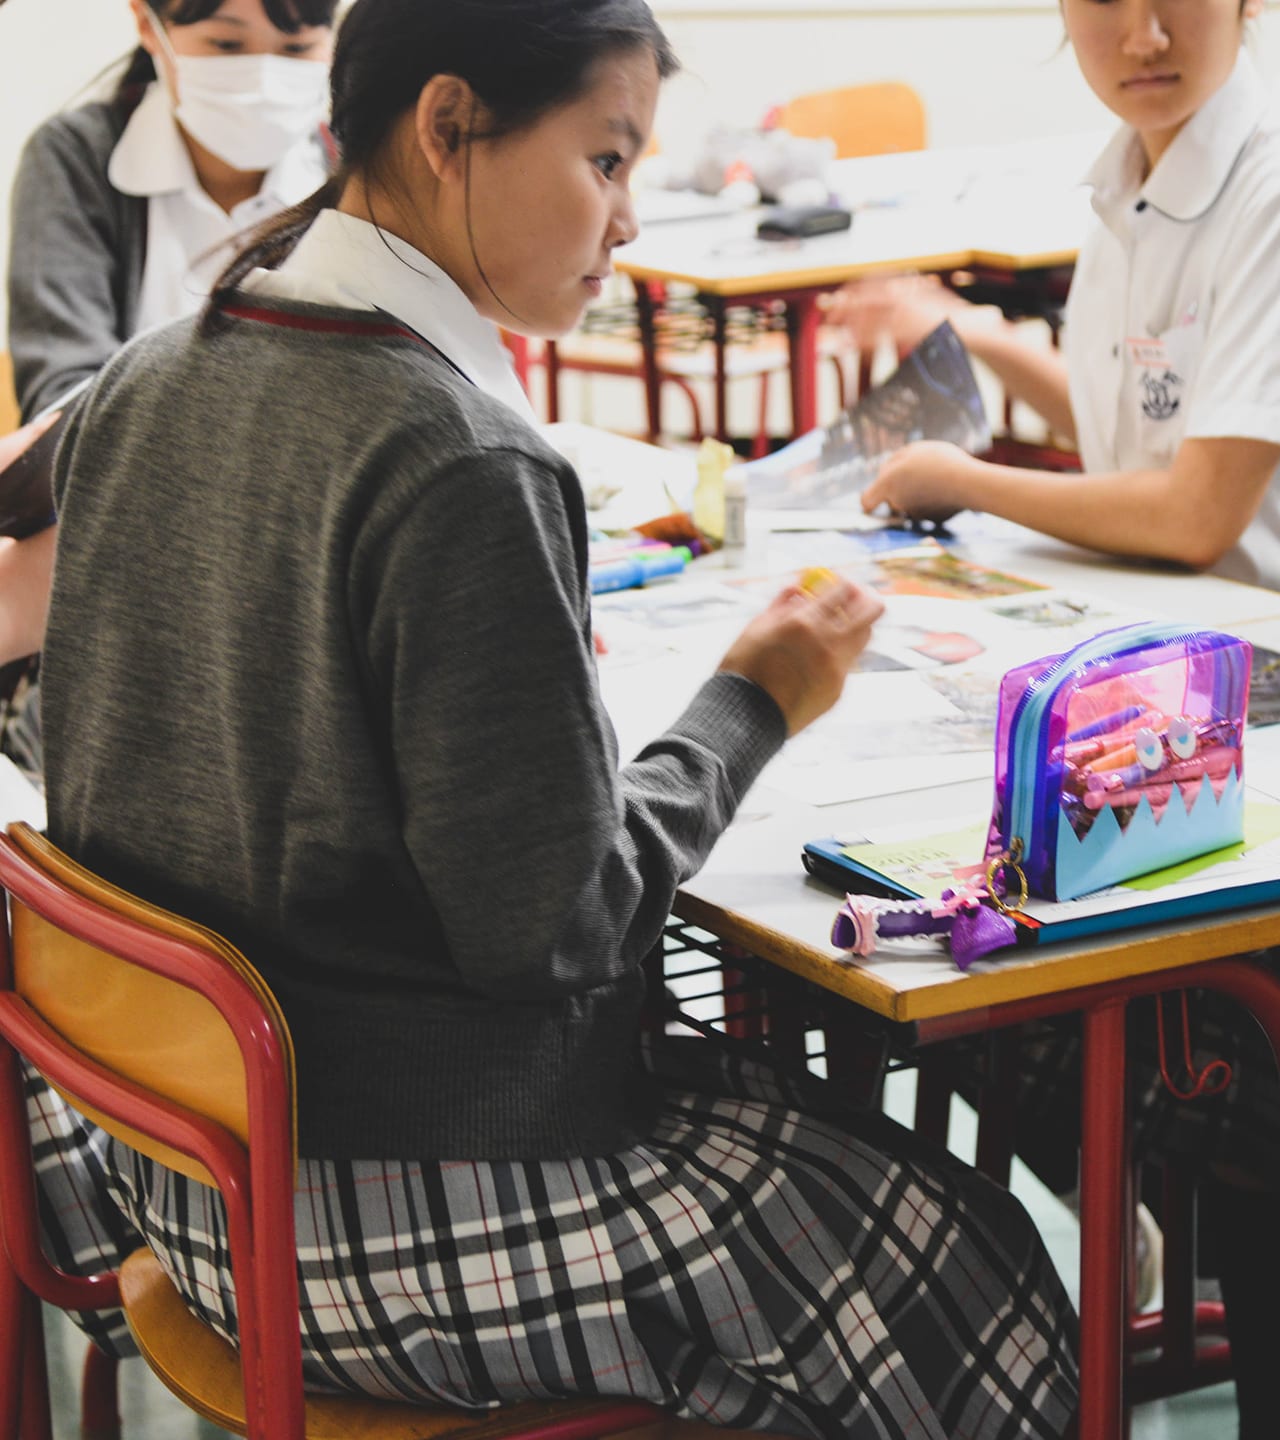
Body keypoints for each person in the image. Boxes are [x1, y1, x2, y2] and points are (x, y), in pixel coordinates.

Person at [23, 2, 1078, 1434]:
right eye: (605, 160)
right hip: (377, 1203)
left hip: (176, 1173)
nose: (628, 220)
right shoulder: (456, 458)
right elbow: (559, 932)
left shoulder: (150, 376)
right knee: (969, 1261)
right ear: (449, 127)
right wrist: (750, 704)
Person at [830, 0, 1280, 632]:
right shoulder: (1129, 184)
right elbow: (1130, 430)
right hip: (1175, 621)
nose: (1145, 38)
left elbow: (1195, 517)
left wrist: (965, 483)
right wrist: (980, 333)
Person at [1, 0, 339, 781]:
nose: (261, 74)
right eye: (225, 43)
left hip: (300, 564)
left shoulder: (354, 172)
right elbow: (68, 409)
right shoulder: (77, 158)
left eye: (296, 48)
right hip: (126, 563)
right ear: (148, 27)